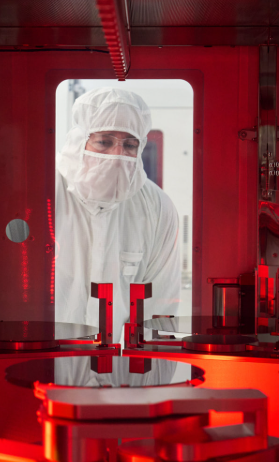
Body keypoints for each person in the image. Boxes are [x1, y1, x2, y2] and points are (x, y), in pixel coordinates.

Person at [55, 88, 180, 343]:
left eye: (130, 144)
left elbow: (160, 309)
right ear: (81, 139)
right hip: (44, 365)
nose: (117, 154)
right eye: (104, 141)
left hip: (119, 373)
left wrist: (148, 381)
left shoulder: (156, 207)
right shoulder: (45, 192)